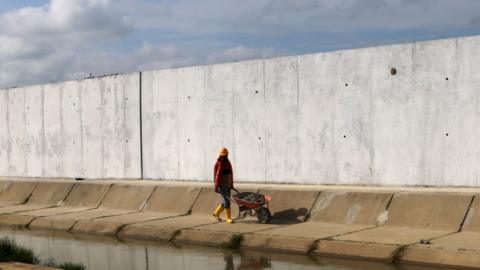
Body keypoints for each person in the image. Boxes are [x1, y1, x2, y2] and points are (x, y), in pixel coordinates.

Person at [213, 147, 234, 224]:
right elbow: (216, 176)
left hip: (227, 184)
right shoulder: (219, 163)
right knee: (227, 201)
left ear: (227, 155)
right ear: (220, 155)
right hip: (221, 185)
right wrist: (216, 186)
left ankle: (216, 213)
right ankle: (228, 218)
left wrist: (231, 184)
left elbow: (231, 174)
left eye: (225, 155)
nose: (223, 157)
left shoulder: (228, 162)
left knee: (225, 201)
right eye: (222, 155)